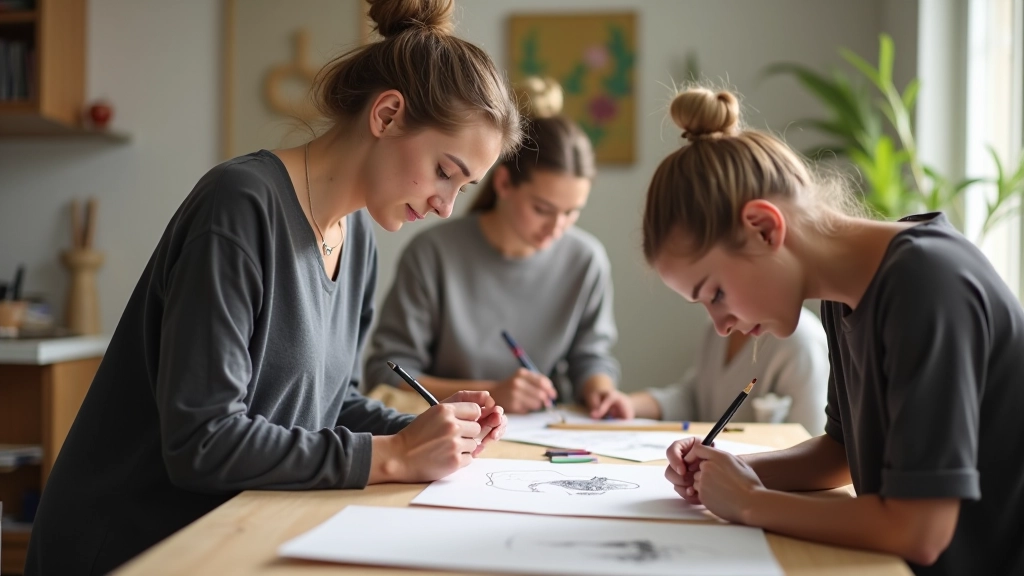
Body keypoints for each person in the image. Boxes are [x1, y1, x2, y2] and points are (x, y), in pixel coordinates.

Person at [26, 1, 521, 573]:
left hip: (233, 533)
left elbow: (321, 404)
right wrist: (393, 455)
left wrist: (426, 430)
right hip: (131, 548)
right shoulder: (239, 207)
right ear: (386, 115)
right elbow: (202, 442)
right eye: (444, 171)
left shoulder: (357, 237)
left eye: (463, 187)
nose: (445, 205)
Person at [646, 87, 1024, 574]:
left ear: (764, 228)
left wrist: (748, 503)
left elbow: (921, 529)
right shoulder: (843, 292)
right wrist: (727, 473)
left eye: (714, 293)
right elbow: (840, 454)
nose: (721, 327)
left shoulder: (926, 285)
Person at [365, 77, 631, 419]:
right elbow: (386, 372)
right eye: (542, 209)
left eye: (571, 213)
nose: (557, 227)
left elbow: (590, 357)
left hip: (544, 433)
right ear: (504, 183)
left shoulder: (586, 259)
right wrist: (492, 392)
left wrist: (601, 392)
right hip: (451, 430)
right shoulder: (432, 253)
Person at [628, 306, 830, 434]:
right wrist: (630, 405)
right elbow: (693, 396)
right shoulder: (717, 331)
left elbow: (809, 439)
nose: (719, 325)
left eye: (716, 294)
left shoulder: (802, 342)